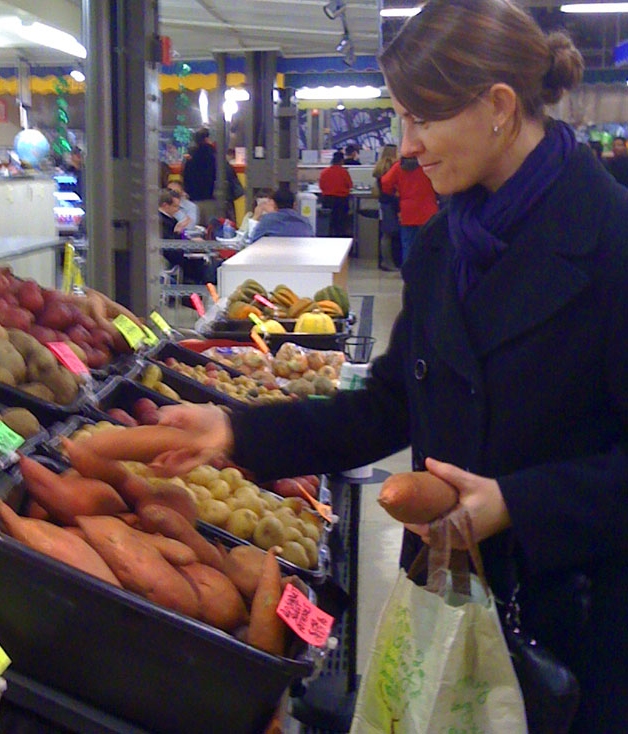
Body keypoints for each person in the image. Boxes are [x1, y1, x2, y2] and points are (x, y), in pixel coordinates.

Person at [141, 1, 628, 730]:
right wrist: (238, 434)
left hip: (571, 621)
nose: (406, 148)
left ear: (498, 107)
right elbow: (390, 406)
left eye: (421, 120)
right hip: (449, 600)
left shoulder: (613, 244)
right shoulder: (443, 249)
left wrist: (520, 505)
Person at [378, 155, 438, 265]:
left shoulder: (398, 167)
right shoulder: (426, 165)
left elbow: (385, 181)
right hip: (428, 209)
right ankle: (427, 274)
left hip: (407, 210)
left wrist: (392, 191)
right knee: (428, 245)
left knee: (408, 245)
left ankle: (408, 275)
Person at [247, 188, 314, 243]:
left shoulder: (268, 220)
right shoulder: (305, 221)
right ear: (294, 205)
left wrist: (255, 218)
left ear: (274, 205)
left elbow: (253, 241)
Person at [373, 145, 402, 268]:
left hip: (383, 202)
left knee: (386, 233)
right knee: (396, 233)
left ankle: (385, 261)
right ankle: (395, 261)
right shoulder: (395, 166)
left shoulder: (379, 166)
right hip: (394, 201)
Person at [182, 128, 217, 225]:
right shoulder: (214, 156)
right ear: (207, 139)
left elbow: (185, 177)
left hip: (193, 199)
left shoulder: (190, 158)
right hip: (211, 198)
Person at [319, 151, 353, 237]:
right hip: (341, 202)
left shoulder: (324, 172)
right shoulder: (344, 172)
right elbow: (350, 185)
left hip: (327, 201)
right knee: (341, 226)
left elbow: (321, 186)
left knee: (328, 224)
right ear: (341, 161)